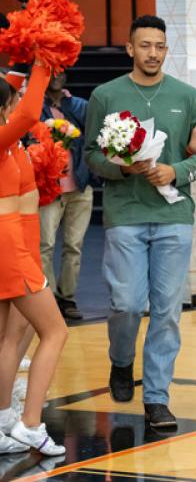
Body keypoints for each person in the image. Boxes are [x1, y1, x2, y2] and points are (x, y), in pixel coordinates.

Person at [84, 15, 196, 428]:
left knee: (166, 311)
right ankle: (121, 361)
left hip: (173, 215)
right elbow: (91, 156)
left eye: (159, 46)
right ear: (130, 49)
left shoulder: (188, 96)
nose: (153, 53)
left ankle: (157, 398)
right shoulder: (106, 95)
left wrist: (174, 171)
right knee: (125, 303)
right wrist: (123, 168)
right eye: (145, 45)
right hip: (125, 213)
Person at [0, 62, 68, 456]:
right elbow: (27, 112)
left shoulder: (8, 140)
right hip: (10, 248)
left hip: (17, 244)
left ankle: (2, 420)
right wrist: (44, 62)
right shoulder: (4, 134)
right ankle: (30, 424)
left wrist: (26, 52)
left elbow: (12, 95)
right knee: (56, 332)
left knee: (9, 338)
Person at [39, 72, 93, 320]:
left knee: (74, 245)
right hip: (48, 188)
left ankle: (68, 297)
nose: (56, 76)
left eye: (61, 71)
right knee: (45, 245)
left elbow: (94, 139)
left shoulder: (79, 105)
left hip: (79, 187)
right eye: (51, 70)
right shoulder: (36, 106)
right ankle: (48, 300)